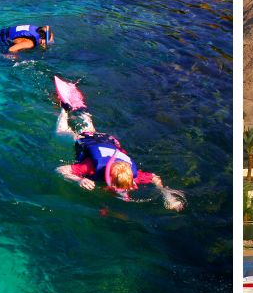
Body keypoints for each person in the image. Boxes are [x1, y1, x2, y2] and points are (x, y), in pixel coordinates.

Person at [52, 77, 185, 212]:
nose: (123, 190)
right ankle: (65, 109)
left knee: (90, 129)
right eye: (120, 187)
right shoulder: (91, 167)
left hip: (106, 139)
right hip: (89, 140)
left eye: (126, 186)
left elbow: (155, 178)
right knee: (61, 132)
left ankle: (83, 112)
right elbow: (60, 170)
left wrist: (167, 195)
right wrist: (78, 180)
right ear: (109, 177)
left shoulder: (134, 175)